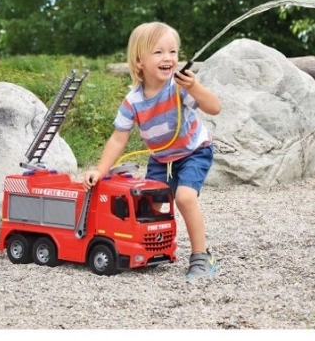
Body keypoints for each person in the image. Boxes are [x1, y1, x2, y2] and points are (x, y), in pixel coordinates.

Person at [83, 21, 222, 281]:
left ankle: (202, 257)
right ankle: (154, 249)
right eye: (159, 52)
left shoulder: (179, 88)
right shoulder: (132, 102)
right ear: (139, 62)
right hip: (161, 158)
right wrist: (100, 170)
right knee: (153, 205)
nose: (168, 58)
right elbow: (117, 139)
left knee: (184, 198)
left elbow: (215, 107)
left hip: (194, 151)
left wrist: (194, 87)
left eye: (173, 52)